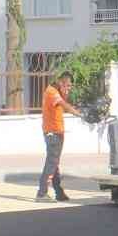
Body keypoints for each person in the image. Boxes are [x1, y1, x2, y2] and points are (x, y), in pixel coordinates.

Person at [39, 71, 84, 202]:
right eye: (68, 85)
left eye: (70, 86)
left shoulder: (56, 91)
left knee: (54, 163)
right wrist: (78, 114)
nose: (69, 88)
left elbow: (64, 104)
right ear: (60, 82)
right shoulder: (52, 92)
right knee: (52, 163)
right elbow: (64, 105)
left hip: (56, 131)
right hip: (53, 133)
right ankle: (41, 193)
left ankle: (59, 192)